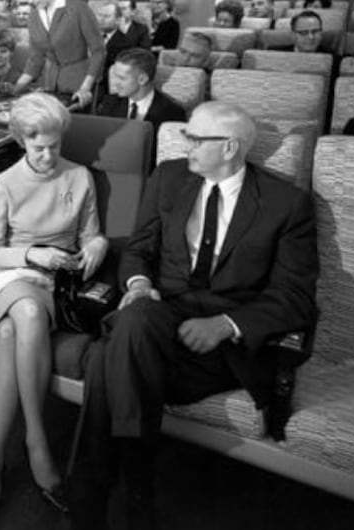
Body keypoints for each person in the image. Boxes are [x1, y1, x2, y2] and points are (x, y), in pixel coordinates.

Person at [68, 101, 319, 530]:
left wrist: (225, 325)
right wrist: (138, 284)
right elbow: (139, 251)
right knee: (137, 320)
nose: (185, 144)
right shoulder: (168, 178)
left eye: (196, 138)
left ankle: (94, 499)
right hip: (159, 314)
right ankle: (136, 497)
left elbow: (294, 296)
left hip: (220, 347)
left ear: (230, 147)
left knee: (106, 357)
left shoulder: (286, 204)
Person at [0, 92, 108, 529]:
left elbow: (91, 235)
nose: (48, 156)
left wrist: (97, 246)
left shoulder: (79, 175)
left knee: (12, 332)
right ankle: (36, 441)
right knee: (25, 315)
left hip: (53, 281)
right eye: (38, 148)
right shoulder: (6, 182)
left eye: (54, 146)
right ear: (21, 142)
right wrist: (31, 256)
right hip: (9, 274)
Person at [12, 0, 104, 110]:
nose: (29, 1)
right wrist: (16, 89)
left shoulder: (78, 9)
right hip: (50, 84)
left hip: (79, 84)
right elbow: (36, 58)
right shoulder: (34, 15)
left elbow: (98, 52)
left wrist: (85, 87)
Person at [96, 48, 186, 133]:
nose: (115, 83)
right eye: (115, 76)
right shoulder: (109, 103)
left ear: (142, 79)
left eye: (121, 78)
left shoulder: (172, 112)